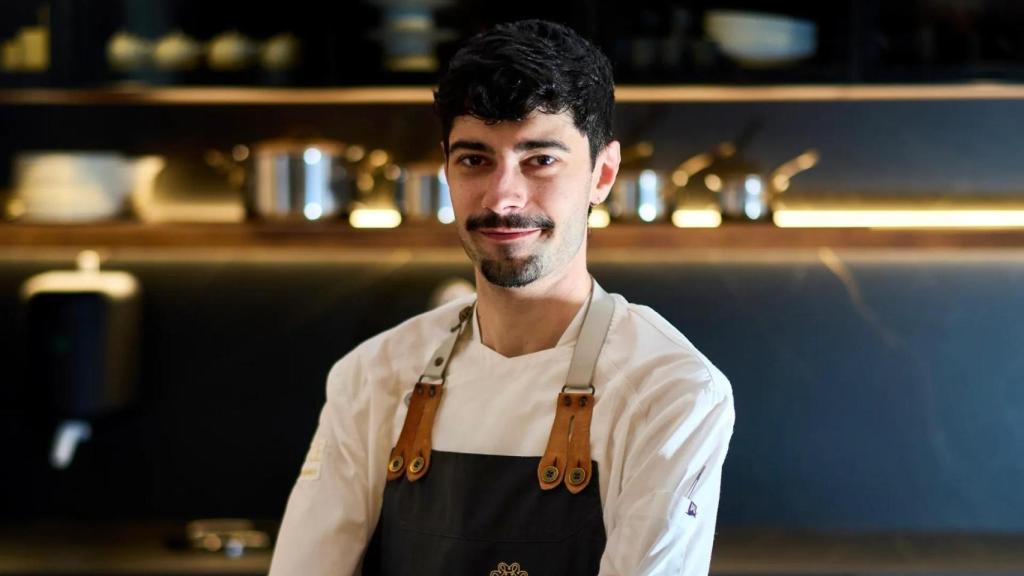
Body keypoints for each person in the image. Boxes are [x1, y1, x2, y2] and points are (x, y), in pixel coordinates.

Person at [268, 19, 734, 576]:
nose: (502, 197)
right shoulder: (372, 376)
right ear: (446, 168)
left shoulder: (670, 391)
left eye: (540, 160)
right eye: (475, 160)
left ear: (602, 174)